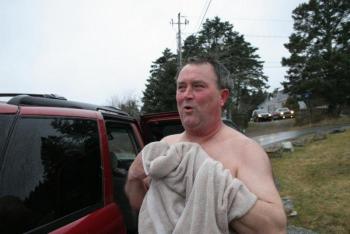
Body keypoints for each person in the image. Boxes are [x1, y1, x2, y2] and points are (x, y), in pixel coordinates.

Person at [125, 56, 287, 233]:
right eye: (181, 87)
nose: (187, 94)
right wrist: (133, 176)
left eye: (198, 86)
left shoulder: (245, 150)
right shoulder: (166, 146)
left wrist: (211, 181)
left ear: (222, 97)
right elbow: (144, 206)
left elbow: (274, 227)